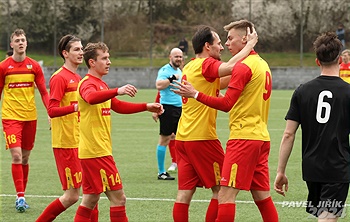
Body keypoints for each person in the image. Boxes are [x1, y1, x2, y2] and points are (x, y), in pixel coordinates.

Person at [171, 20, 278, 222]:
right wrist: (249, 47)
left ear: (245, 39)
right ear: (207, 46)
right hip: (210, 137)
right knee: (228, 192)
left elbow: (229, 79)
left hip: (189, 137)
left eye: (228, 39)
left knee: (190, 193)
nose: (224, 45)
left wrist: (196, 94)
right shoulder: (261, 65)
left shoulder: (190, 66)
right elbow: (230, 70)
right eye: (221, 41)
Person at [73, 42, 163, 221]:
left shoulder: (101, 85)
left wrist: (146, 106)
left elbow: (118, 106)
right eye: (104, 58)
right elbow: (90, 98)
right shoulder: (87, 84)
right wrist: (118, 90)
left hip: (94, 152)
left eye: (109, 58)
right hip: (96, 152)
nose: (109, 62)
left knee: (90, 200)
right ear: (92, 62)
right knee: (118, 199)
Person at [274, 32, 350, 221]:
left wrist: (280, 171)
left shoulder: (302, 91)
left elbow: (288, 135)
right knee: (327, 217)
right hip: (337, 167)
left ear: (317, 61)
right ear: (340, 60)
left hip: (312, 168)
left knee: (323, 215)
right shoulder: (348, 92)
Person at [36, 35, 91, 221]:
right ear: (65, 53)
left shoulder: (78, 77)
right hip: (66, 143)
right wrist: (75, 107)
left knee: (92, 193)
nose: (81, 52)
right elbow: (52, 110)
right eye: (76, 49)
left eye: (81, 48)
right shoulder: (59, 78)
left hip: (80, 141)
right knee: (72, 196)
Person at [0, 29, 49, 212]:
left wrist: (50, 113)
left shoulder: (34, 66)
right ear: (11, 45)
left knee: (25, 158)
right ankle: (20, 197)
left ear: (26, 43)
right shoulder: (4, 67)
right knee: (16, 156)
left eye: (23, 40)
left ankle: (22, 193)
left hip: (30, 117)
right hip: (11, 117)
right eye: (17, 40)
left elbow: (44, 92)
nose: (20, 42)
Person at [153, 47, 183, 180]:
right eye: (176, 56)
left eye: (180, 57)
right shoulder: (165, 70)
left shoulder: (180, 71)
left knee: (182, 139)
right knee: (164, 139)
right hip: (168, 109)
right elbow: (159, 85)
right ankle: (161, 172)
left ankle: (182, 166)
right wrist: (171, 79)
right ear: (170, 57)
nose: (179, 59)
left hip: (180, 108)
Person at [152, 91, 178, 172]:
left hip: (185, 108)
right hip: (168, 109)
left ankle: (183, 163)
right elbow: (161, 88)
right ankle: (173, 163)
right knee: (170, 136)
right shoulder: (168, 79)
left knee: (184, 137)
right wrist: (156, 107)